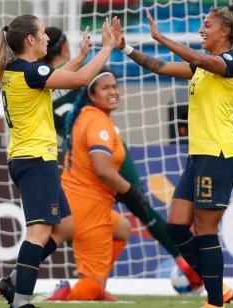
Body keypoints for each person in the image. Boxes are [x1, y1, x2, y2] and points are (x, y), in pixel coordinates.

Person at [113, 3, 233, 308]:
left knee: (205, 231)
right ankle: (219, 289)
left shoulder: (231, 62)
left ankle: (215, 302)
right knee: (176, 228)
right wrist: (126, 48)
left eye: (207, 25)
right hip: (198, 156)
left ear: (225, 31)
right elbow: (159, 67)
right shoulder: (203, 67)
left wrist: (161, 38)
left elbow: (198, 58)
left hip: (219, 155)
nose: (201, 30)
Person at [43, 26, 206, 293]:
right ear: (63, 48)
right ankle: (188, 267)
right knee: (140, 205)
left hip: (75, 158)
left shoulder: (45, 83)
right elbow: (105, 84)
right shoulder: (81, 74)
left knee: (71, 227)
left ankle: (41, 274)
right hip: (102, 144)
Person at [0, 14, 115, 308]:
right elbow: (83, 80)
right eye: (44, 33)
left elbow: (58, 77)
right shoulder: (30, 72)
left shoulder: (19, 70)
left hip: (27, 157)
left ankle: (14, 280)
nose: (49, 38)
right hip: (36, 159)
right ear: (31, 40)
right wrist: (107, 48)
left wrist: (83, 56)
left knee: (66, 226)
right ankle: (20, 301)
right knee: (38, 233)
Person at [50, 68, 133, 301]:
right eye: (106, 88)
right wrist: (130, 191)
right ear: (92, 95)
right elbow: (102, 169)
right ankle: (64, 294)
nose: (113, 91)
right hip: (88, 208)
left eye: (115, 86)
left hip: (81, 201)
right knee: (91, 290)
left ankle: (95, 282)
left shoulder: (90, 116)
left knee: (123, 228)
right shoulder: (97, 122)